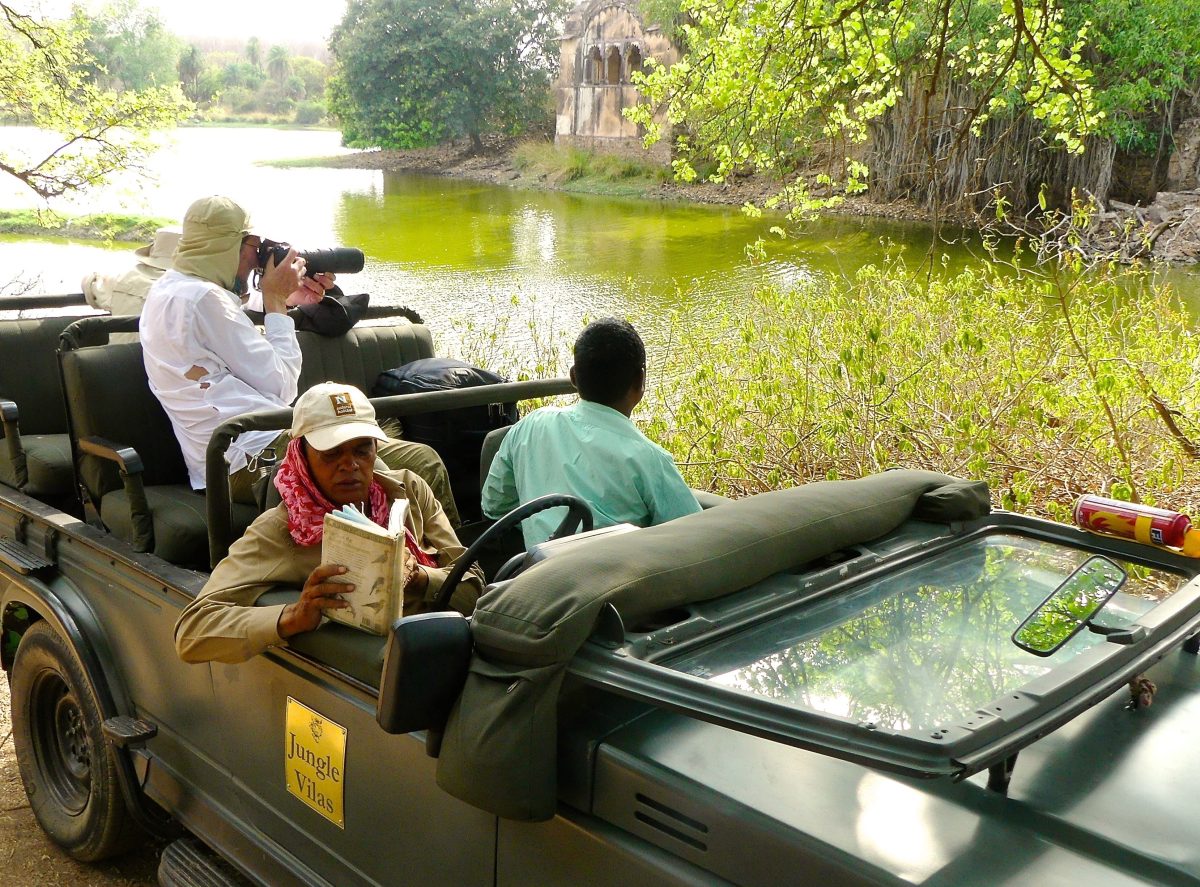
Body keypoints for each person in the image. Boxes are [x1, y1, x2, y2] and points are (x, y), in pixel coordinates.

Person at [140, 195, 459, 523]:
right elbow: (282, 385)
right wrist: (276, 300)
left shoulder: (171, 290)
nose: (257, 258)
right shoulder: (204, 300)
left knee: (400, 454)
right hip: (254, 457)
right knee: (421, 464)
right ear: (227, 246)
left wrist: (288, 298)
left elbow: (228, 327)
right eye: (254, 246)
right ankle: (449, 556)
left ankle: (414, 551)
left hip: (232, 456)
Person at [174, 382, 483, 664]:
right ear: (302, 456)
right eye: (331, 453)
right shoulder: (281, 529)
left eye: (362, 449)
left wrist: (420, 577)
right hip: (380, 667)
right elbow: (192, 632)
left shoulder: (408, 491)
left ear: (377, 449)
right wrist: (292, 617)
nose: (350, 465)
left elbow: (474, 587)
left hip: (451, 645)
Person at [481, 317, 701, 548]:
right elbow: (696, 541)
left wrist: (541, 522)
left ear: (574, 377)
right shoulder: (650, 460)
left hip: (539, 569)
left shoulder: (529, 426)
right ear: (641, 380)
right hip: (615, 572)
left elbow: (494, 506)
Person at [81, 226, 180, 342]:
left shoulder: (120, 278)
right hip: (157, 354)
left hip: (118, 352)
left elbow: (88, 282)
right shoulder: (191, 292)